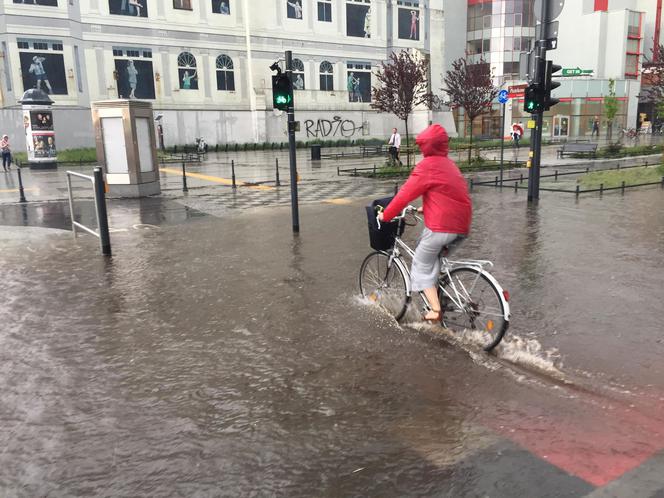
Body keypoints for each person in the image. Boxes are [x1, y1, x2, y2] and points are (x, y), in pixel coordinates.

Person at [378, 124, 472, 322]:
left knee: (420, 263)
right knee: (433, 261)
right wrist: (425, 207)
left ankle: (436, 311)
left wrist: (385, 216)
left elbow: (403, 196)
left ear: (427, 146)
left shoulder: (427, 166)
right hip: (461, 225)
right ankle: (441, 297)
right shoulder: (449, 165)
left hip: (442, 227)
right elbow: (447, 194)